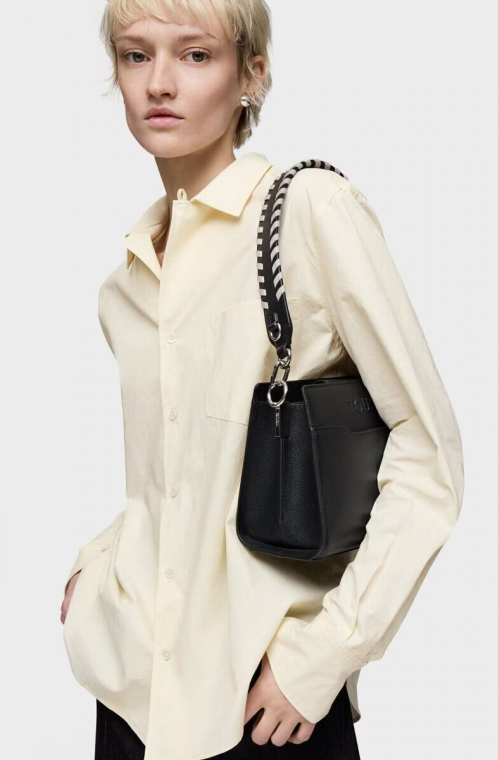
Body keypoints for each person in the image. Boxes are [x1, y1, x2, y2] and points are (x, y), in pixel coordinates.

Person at [60, 1, 465, 758]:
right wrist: (100, 565)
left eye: (196, 55)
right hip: (133, 694)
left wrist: (323, 657)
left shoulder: (308, 213)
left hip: (267, 702)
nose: (160, 84)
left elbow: (428, 453)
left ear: (252, 74)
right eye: (136, 55)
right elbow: (174, 476)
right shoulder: (127, 284)